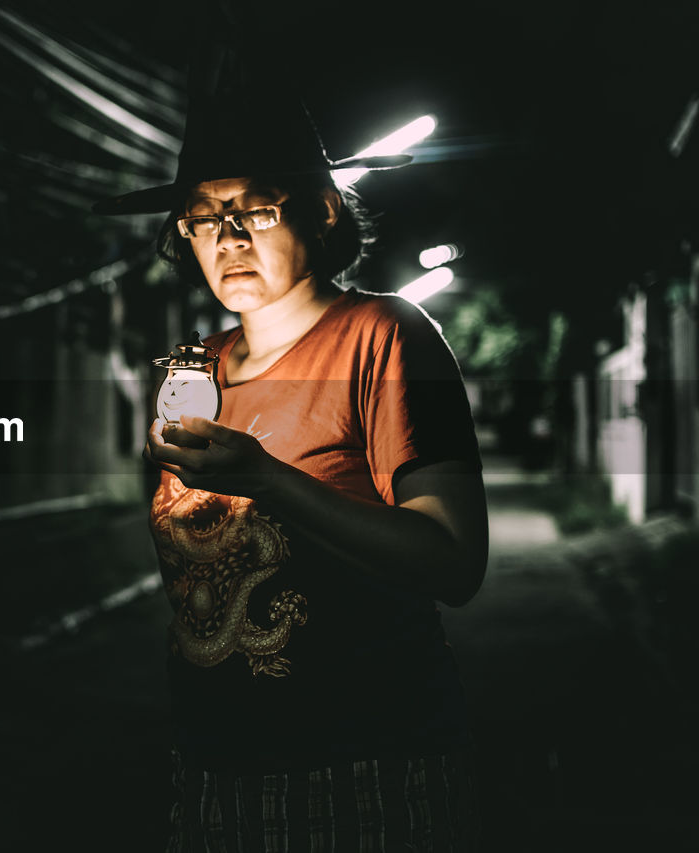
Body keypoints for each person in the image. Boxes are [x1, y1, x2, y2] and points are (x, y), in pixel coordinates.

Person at [94, 79, 488, 850]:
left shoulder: (384, 336)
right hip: (217, 769)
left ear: (324, 209)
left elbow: (454, 561)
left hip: (369, 765)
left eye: (256, 208)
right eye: (203, 218)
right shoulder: (187, 370)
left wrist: (269, 480)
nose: (228, 238)